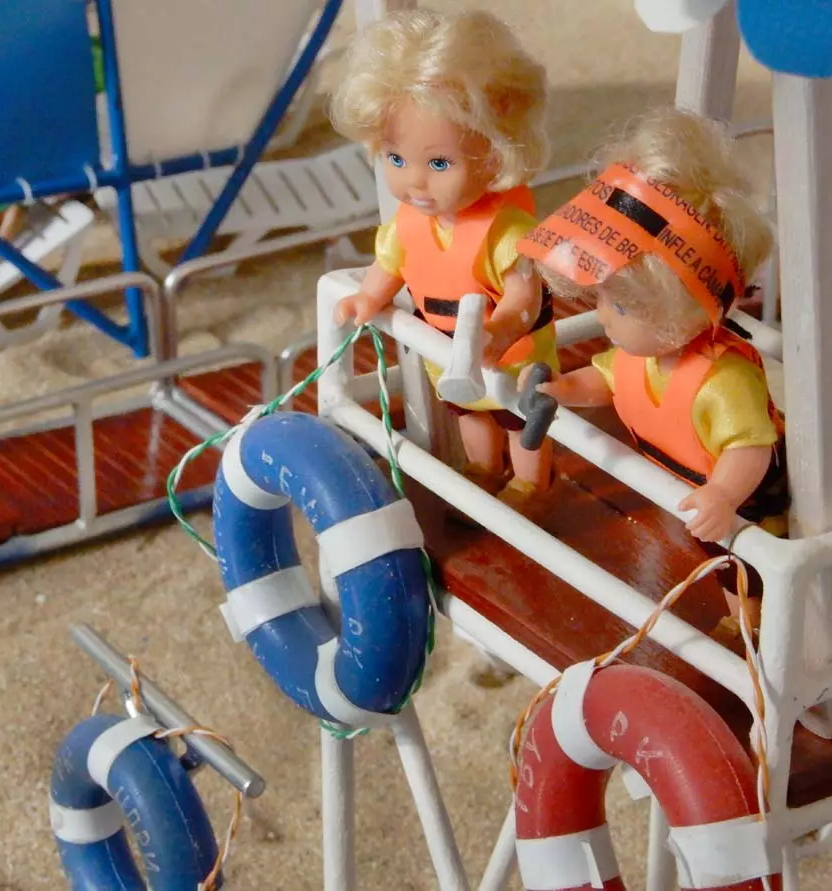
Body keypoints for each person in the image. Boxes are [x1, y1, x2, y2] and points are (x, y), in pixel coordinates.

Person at [517, 107, 783, 646]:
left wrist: (724, 494)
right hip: (687, 487)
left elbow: (749, 448)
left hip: (747, 501)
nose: (602, 315)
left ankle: (749, 624)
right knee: (714, 553)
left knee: (742, 564)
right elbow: (605, 382)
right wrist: (561, 389)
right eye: (604, 297)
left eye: (620, 306)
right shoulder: (636, 356)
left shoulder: (722, 380)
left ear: (682, 316)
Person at [327, 8, 557, 517]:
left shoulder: (505, 232)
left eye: (438, 163)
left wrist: (500, 330)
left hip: (509, 356)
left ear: (495, 155)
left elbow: (525, 296)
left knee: (520, 422)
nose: (414, 181)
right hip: (448, 354)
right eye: (395, 158)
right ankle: (483, 468)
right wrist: (368, 297)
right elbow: (390, 265)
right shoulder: (409, 224)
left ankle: (532, 485)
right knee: (470, 414)